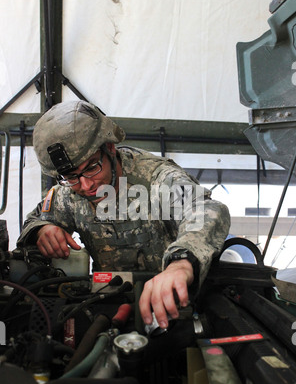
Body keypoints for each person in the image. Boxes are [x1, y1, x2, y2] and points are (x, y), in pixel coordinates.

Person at [17, 100, 231, 330]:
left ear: (110, 147)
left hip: (171, 311)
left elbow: (206, 210)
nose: (86, 185)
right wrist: (43, 228)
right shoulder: (68, 193)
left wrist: (180, 265)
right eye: (71, 176)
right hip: (107, 308)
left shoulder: (156, 178)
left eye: (91, 167)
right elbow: (36, 218)